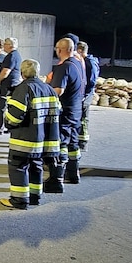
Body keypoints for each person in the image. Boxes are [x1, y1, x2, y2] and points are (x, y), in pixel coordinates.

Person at [0, 59, 61, 209]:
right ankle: (35, 197)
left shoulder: (23, 89)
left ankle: (19, 200)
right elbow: (58, 111)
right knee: (36, 166)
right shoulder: (49, 89)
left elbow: (14, 117)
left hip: (24, 140)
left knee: (18, 167)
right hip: (44, 142)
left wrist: (6, 120)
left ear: (22, 73)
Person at [46, 37, 85, 190]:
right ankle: (73, 174)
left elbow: (58, 90)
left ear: (60, 50)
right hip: (76, 111)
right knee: (73, 144)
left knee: (61, 143)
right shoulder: (77, 63)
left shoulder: (63, 67)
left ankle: (57, 179)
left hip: (65, 111)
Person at [0, 37, 22, 134]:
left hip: (8, 84)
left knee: (1, 105)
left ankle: (0, 127)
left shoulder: (11, 56)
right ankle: (7, 126)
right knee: (8, 106)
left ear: (10, 46)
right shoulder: (16, 55)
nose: (4, 46)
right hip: (13, 83)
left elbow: (6, 71)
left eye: (5, 44)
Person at [76, 41, 100, 150]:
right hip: (85, 94)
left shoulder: (89, 63)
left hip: (85, 96)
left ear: (80, 50)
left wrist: (85, 95)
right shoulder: (87, 61)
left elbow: (91, 80)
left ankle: (82, 142)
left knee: (83, 118)